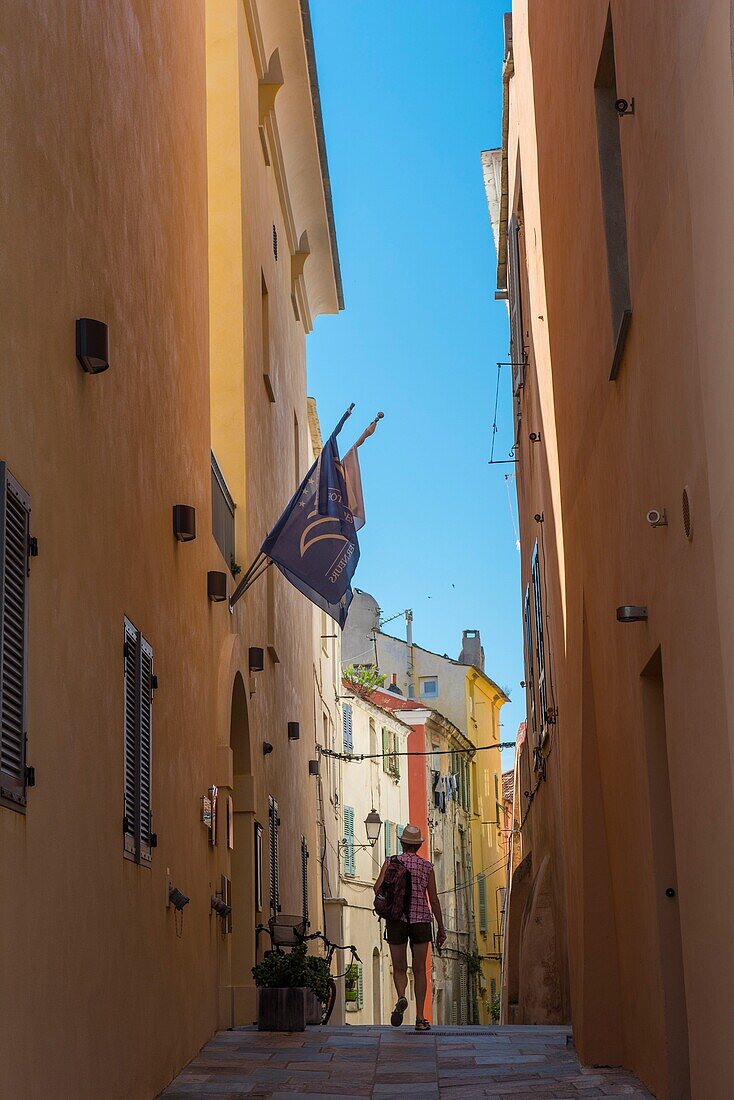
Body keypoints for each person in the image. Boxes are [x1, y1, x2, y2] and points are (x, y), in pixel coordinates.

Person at [373, 823, 446, 1031]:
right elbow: (434, 898)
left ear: (402, 843)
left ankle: (402, 996)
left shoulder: (391, 862)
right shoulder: (427, 866)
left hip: (397, 920)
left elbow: (377, 887)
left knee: (399, 967)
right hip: (421, 920)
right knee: (420, 969)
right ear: (418, 845)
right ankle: (420, 1018)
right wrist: (441, 927)